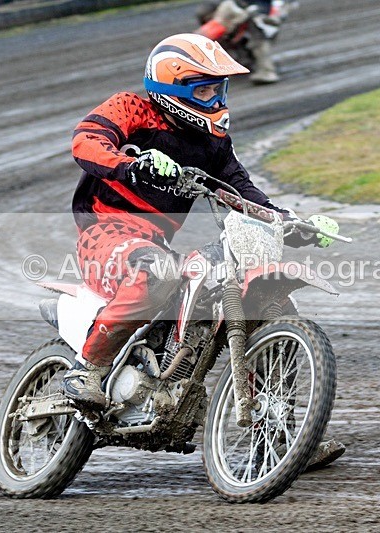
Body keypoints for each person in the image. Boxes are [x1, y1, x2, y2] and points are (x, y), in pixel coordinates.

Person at [61, 32, 329, 407]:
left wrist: (292, 224)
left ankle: (281, 431)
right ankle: (86, 369)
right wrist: (133, 166)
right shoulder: (132, 109)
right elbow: (86, 141)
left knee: (220, 278)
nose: (217, 101)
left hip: (155, 241)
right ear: (174, 87)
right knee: (158, 271)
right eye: (205, 92)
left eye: (220, 91)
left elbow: (241, 190)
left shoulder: (213, 144)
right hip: (105, 231)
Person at [196, 0, 288, 84]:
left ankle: (266, 71)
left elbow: (272, 21)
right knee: (214, 29)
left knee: (258, 40)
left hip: (257, 22)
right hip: (238, 17)